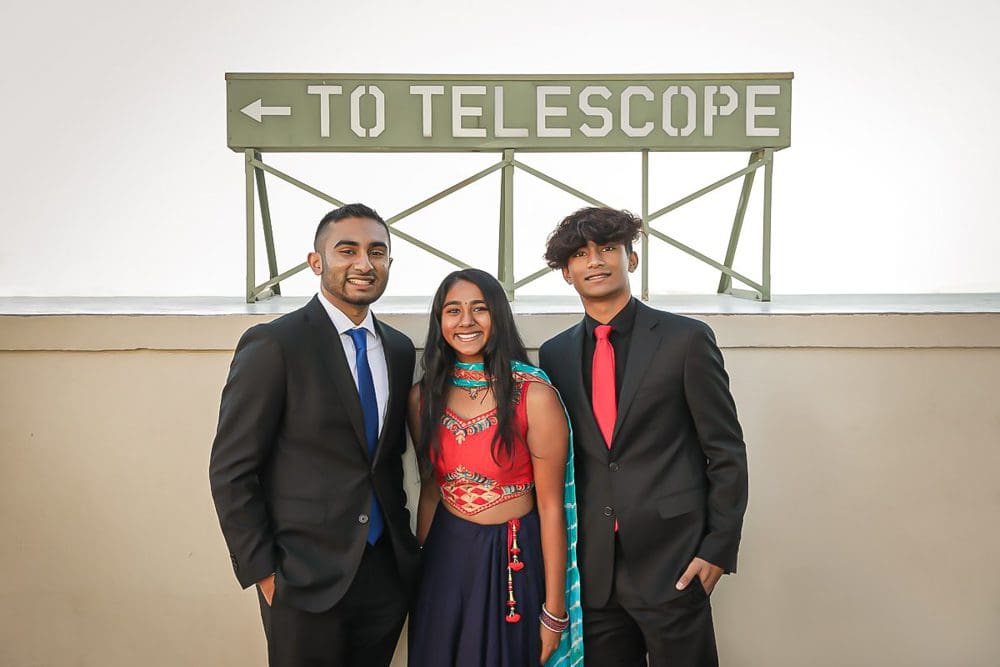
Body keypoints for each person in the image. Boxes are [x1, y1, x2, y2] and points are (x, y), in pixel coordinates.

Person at [209, 203, 419, 667]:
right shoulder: (274, 344)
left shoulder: (400, 350)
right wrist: (264, 573)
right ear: (316, 262)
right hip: (300, 580)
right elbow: (231, 470)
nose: (364, 264)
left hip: (384, 576)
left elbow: (383, 461)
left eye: (377, 252)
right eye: (348, 250)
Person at [537, 207, 748, 667]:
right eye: (580, 253)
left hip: (675, 563)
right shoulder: (554, 356)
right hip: (593, 573)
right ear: (567, 272)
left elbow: (725, 449)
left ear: (631, 260)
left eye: (608, 248)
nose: (595, 260)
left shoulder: (686, 340)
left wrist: (717, 548)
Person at [407, 268, 584, 667]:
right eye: (453, 310)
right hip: (446, 559)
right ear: (439, 322)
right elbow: (431, 490)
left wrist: (555, 611)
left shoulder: (533, 395)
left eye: (479, 309)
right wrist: (419, 572)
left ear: (498, 317)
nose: (466, 321)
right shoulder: (423, 397)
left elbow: (552, 507)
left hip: (512, 561)